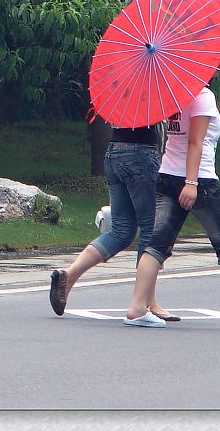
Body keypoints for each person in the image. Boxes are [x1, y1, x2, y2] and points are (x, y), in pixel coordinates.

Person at [122, 86, 220, 329]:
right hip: (199, 179)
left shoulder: (174, 93)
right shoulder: (202, 96)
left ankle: (136, 307)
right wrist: (191, 182)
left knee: (156, 244)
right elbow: (195, 142)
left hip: (167, 174)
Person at [49, 121, 177, 320]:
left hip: (114, 151)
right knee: (150, 229)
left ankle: (69, 275)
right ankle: (146, 302)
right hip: (141, 154)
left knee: (121, 231)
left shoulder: (120, 91)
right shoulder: (148, 92)